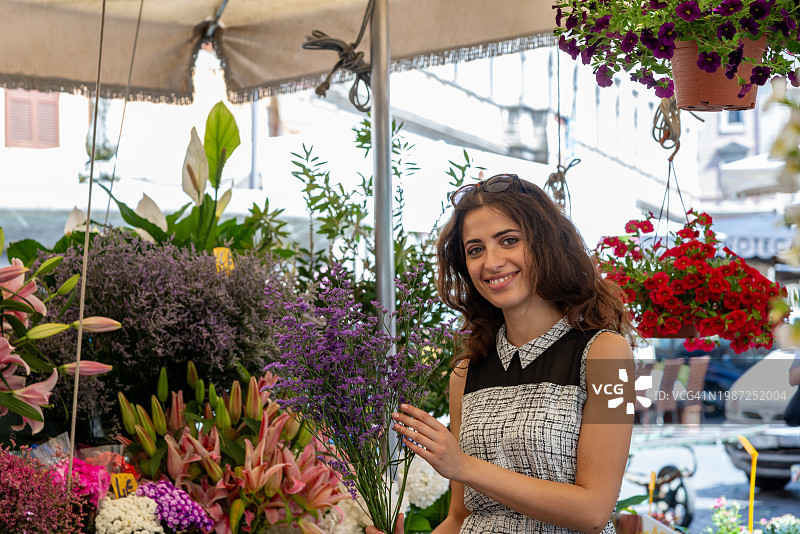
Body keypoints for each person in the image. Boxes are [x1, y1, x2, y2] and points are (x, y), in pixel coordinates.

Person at [367, 174, 635, 534]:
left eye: (508, 241)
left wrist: (463, 465)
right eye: (475, 249)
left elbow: (594, 510)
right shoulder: (465, 373)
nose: (491, 262)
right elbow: (460, 518)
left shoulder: (609, 355)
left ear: (546, 246)